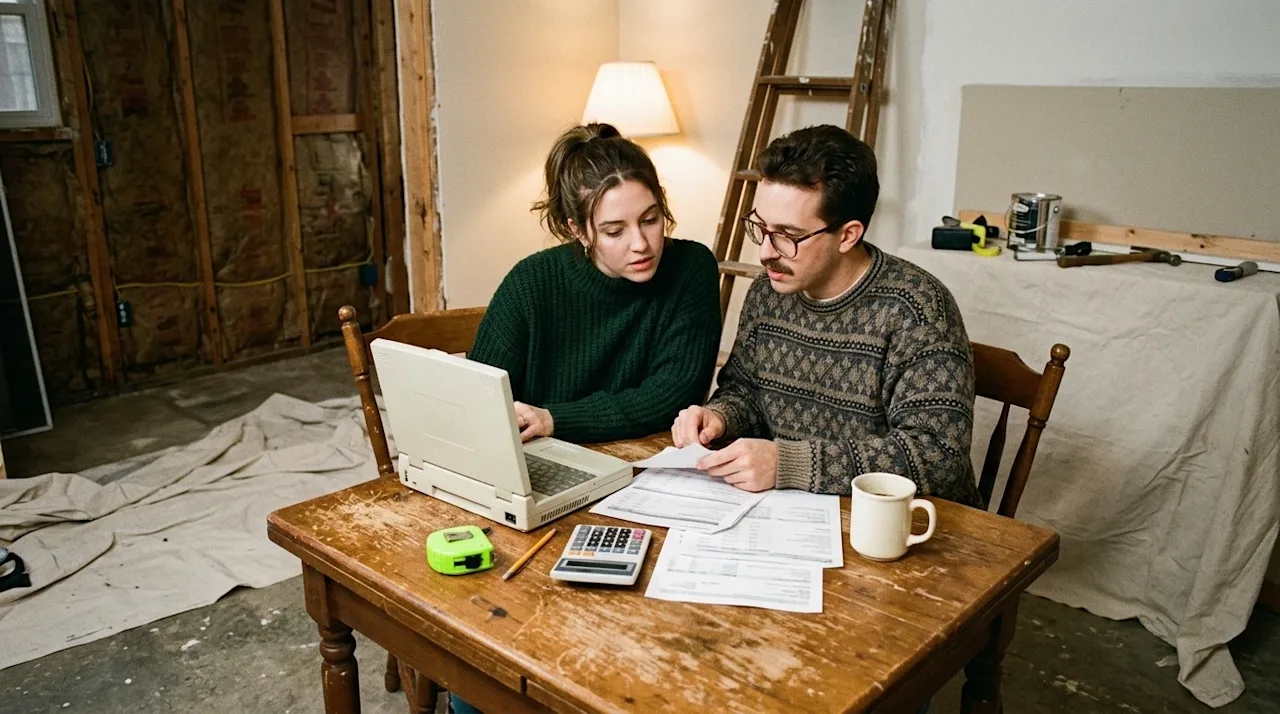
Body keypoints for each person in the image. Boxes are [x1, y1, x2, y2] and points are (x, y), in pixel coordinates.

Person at [451, 123, 721, 714]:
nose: (642, 243)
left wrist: (553, 417)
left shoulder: (692, 268)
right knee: (492, 665)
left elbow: (672, 392)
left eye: (651, 219)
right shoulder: (532, 282)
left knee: (649, 657)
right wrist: (535, 432)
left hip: (644, 487)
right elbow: (476, 397)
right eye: (615, 230)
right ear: (578, 230)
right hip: (545, 487)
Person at [671, 124, 983, 509]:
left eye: (787, 235)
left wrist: (790, 464)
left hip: (912, 526)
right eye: (761, 227)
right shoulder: (768, 290)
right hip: (797, 512)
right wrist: (719, 417)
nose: (766, 251)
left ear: (848, 235)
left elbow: (938, 456)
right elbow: (746, 391)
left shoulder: (918, 310)